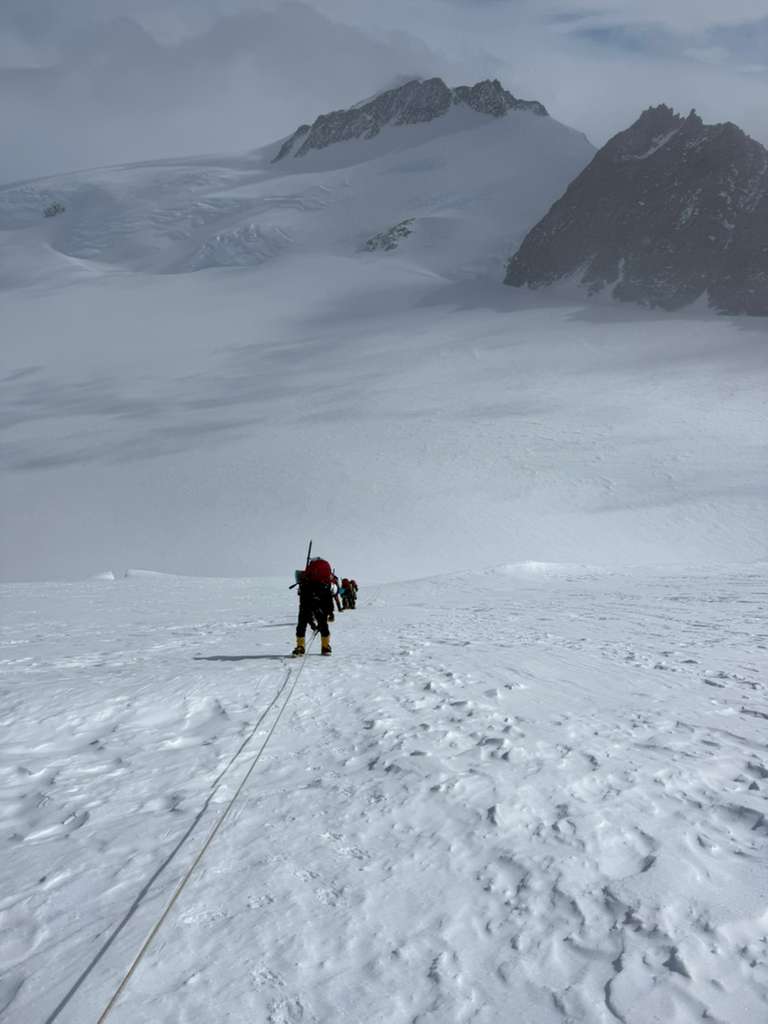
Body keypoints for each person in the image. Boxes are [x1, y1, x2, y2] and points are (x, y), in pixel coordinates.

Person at [292, 557, 336, 656]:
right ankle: (325, 647)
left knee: (301, 625)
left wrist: (311, 623)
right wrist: (330, 612)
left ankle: (300, 646)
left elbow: (304, 605)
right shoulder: (325, 584)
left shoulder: (305, 585)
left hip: (307, 603)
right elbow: (329, 599)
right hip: (321, 604)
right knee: (324, 625)